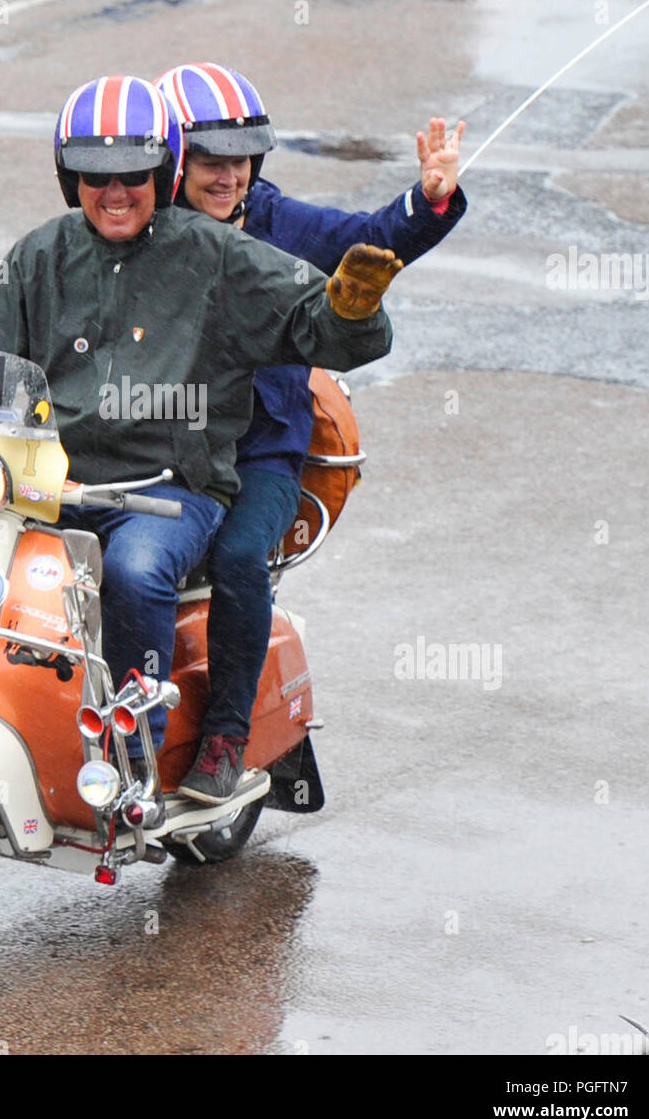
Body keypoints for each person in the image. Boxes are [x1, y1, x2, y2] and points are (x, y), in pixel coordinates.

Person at [0, 74, 402, 811]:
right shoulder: (39, 256)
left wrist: (351, 307)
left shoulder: (216, 255)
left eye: (134, 177)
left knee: (136, 571)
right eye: (96, 177)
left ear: (163, 174)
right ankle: (3, 698)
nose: (115, 193)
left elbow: (320, 323)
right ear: (70, 179)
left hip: (165, 491)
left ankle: (135, 748)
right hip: (47, 483)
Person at [154, 62, 467, 803]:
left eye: (239, 158)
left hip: (261, 453)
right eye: (207, 159)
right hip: (162, 445)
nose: (227, 175)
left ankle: (227, 736)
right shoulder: (145, 225)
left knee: (236, 558)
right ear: (169, 157)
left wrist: (428, 198)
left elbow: (368, 239)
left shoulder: (272, 220)